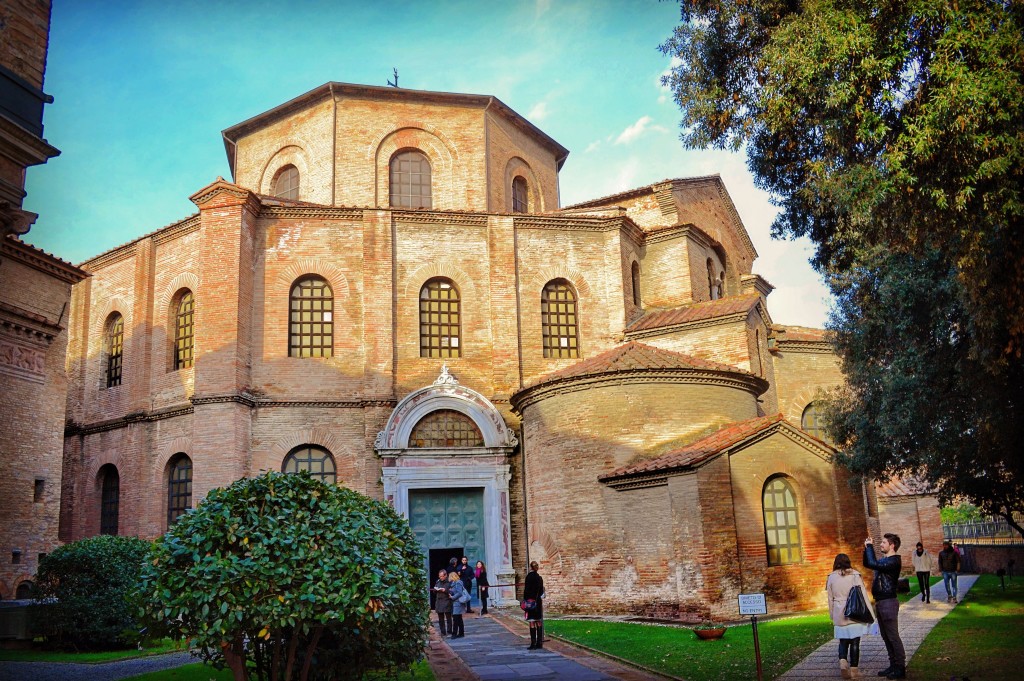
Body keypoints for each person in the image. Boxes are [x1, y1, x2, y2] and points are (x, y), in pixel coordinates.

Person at [827, 553, 876, 679]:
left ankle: (843, 662)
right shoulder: (855, 575)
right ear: (848, 562)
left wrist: (832, 615)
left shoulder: (831, 577)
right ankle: (854, 671)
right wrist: (870, 613)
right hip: (855, 612)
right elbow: (863, 595)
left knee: (842, 640)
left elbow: (830, 599)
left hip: (839, 612)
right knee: (855, 642)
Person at [864, 533, 906, 679]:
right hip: (881, 601)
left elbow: (872, 563)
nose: (881, 545)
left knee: (893, 636)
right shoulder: (885, 560)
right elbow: (868, 563)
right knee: (886, 636)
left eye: (883, 542)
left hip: (888, 602)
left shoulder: (893, 561)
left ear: (892, 545)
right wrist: (866, 548)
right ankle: (893, 665)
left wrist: (869, 546)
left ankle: (900, 667)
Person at [523, 560, 545, 650]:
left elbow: (526, 590)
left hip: (530, 602)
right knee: (539, 621)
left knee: (532, 622)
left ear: (531, 567)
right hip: (537, 601)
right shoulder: (539, 578)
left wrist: (525, 600)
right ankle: (539, 643)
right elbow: (541, 592)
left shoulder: (528, 577)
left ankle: (533, 643)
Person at [448, 571, 470, 638]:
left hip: (458, 602)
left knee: (456, 618)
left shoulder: (458, 582)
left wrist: (452, 597)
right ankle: (461, 633)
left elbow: (459, 593)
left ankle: (454, 634)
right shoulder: (454, 584)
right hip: (456, 603)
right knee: (459, 618)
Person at [432, 569, 452, 637]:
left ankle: (449, 631)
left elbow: (451, 591)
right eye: (440, 576)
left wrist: (445, 590)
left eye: (442, 576)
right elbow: (434, 591)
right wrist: (435, 590)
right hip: (439, 602)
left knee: (448, 617)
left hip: (446, 601)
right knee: (441, 619)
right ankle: (443, 632)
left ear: (445, 575)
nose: (441, 578)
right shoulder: (438, 582)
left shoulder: (449, 582)